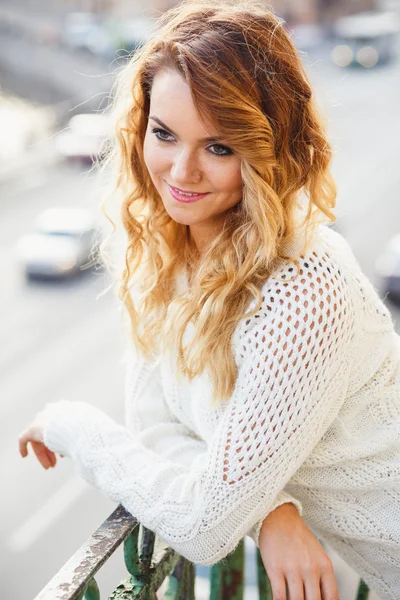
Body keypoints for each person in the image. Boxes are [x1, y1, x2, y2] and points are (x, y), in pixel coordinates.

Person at [18, 0, 400, 598]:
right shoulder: (163, 249)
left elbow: (202, 526)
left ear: (267, 150)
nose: (182, 171)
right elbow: (155, 424)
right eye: (164, 134)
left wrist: (71, 425)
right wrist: (270, 508)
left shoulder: (304, 288)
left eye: (219, 147)